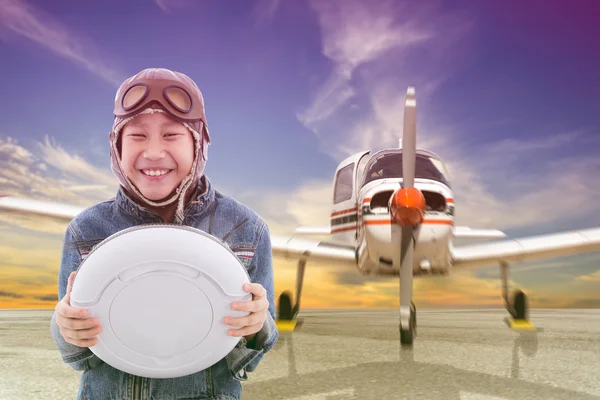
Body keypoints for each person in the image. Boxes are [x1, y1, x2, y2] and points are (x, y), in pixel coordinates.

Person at [49, 68, 279, 400]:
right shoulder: (85, 230)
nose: (154, 152)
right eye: (138, 136)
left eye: (171, 135)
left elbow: (249, 360)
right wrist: (65, 326)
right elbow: (79, 358)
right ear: (116, 145)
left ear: (198, 143)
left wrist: (258, 325)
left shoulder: (247, 229)